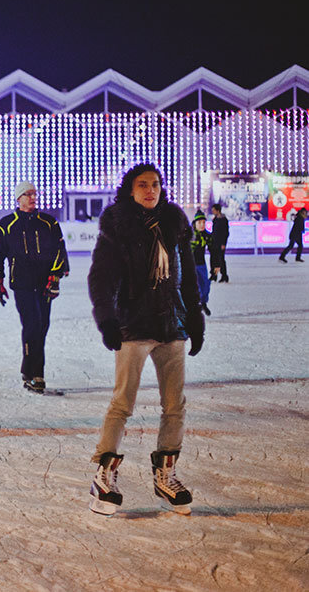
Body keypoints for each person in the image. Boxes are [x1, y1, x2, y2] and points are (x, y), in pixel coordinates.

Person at [87, 163, 205, 516]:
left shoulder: (173, 223)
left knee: (175, 405)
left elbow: (186, 276)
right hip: (134, 326)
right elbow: (101, 278)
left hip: (171, 324)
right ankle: (104, 476)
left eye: (155, 184)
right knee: (123, 403)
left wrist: (195, 317)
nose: (150, 190)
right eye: (142, 185)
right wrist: (107, 319)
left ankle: (165, 475)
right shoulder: (119, 227)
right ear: (130, 190)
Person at [0, 182, 69, 394]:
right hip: (22, 284)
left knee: (42, 326)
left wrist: (56, 275)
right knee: (32, 325)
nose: (33, 197)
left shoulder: (48, 222)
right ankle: (37, 375)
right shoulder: (7, 224)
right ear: (18, 199)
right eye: (27, 194)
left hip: (45, 283)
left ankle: (27, 368)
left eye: (34, 194)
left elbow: (60, 250)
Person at [190, 210, 212, 316]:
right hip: (190, 265)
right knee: (192, 286)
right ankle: (194, 305)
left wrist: (216, 265)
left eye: (204, 222)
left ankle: (203, 303)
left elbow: (214, 250)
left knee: (205, 285)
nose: (202, 225)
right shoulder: (189, 235)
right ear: (195, 223)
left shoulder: (207, 235)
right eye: (199, 223)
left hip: (201, 264)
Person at [208, 204, 230, 282]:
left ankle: (224, 275)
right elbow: (214, 232)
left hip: (220, 243)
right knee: (213, 259)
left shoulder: (224, 220)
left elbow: (226, 233)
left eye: (213, 210)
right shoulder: (215, 219)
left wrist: (224, 243)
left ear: (218, 210)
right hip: (214, 243)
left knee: (221, 259)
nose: (212, 211)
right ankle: (214, 275)